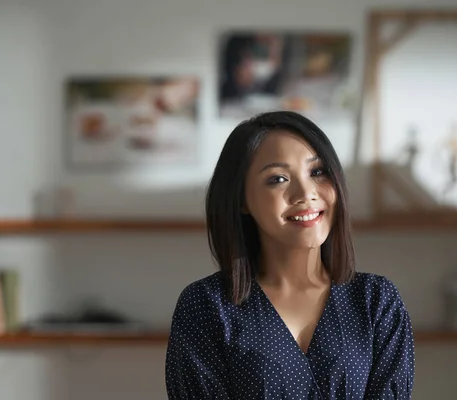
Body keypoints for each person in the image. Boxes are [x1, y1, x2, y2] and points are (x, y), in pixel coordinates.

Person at [165, 111, 415, 399]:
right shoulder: (205, 307)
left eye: (317, 172)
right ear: (241, 200)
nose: (306, 193)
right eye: (278, 178)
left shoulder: (376, 301)